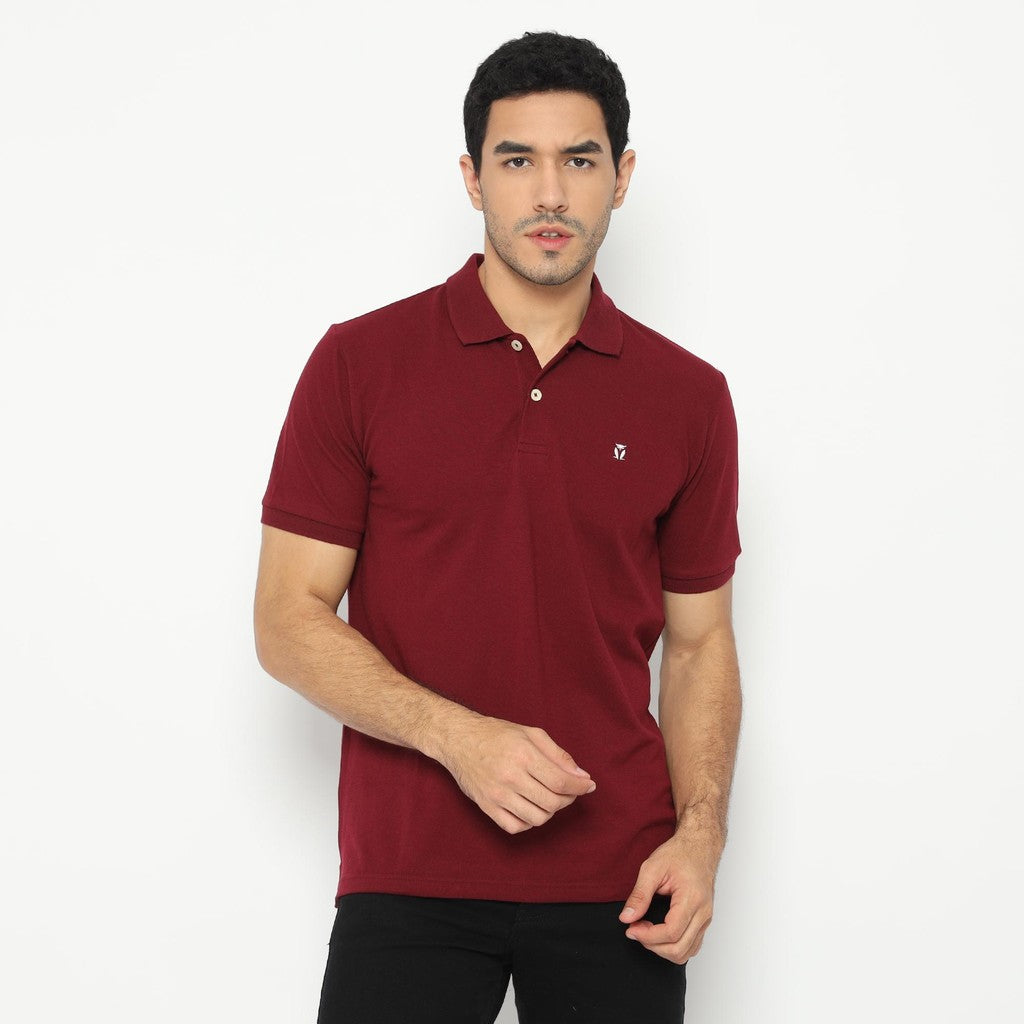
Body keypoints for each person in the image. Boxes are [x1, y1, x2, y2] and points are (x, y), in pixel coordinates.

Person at [254, 29, 742, 1024]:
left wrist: (700, 838)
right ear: (473, 178)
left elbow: (700, 645)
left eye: (580, 161)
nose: (550, 194)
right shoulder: (359, 364)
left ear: (622, 177)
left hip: (621, 885)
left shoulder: (688, 397)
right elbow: (286, 619)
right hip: (409, 876)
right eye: (518, 161)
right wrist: (456, 737)